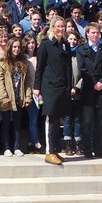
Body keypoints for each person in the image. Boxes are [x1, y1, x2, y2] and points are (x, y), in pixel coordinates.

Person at [34, 16, 72, 165]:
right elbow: (40, 68)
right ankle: (49, 152)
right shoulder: (45, 44)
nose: (60, 29)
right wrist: (37, 87)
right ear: (52, 27)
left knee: (58, 120)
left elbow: (68, 67)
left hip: (62, 87)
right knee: (50, 119)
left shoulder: (65, 45)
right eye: (58, 26)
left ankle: (55, 150)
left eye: (63, 26)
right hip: (49, 87)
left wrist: (70, 86)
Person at [76, 23, 102, 158]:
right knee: (87, 122)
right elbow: (82, 68)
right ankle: (87, 150)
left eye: (97, 33)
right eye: (93, 32)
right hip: (88, 90)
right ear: (87, 34)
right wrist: (94, 83)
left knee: (99, 123)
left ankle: (98, 149)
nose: (95, 35)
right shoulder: (81, 50)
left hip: (101, 90)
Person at [0, 37, 31, 157]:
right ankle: (6, 147)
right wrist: (3, 97)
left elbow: (27, 82)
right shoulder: (3, 63)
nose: (16, 49)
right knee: (6, 123)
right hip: (7, 96)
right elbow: (0, 82)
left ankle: (17, 147)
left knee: (17, 123)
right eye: (14, 47)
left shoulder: (23, 63)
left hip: (19, 95)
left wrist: (27, 97)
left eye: (18, 47)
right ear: (10, 47)